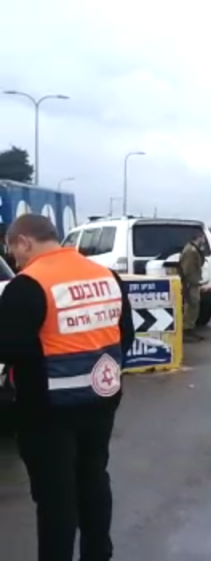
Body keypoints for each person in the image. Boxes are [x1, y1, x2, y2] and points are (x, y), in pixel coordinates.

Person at [0, 214, 135, 561]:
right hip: (101, 399)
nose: (14, 259)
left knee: (55, 497)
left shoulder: (28, 285)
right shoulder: (107, 277)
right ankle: (98, 554)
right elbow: (126, 337)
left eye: (12, 250)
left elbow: (8, 348)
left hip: (46, 411)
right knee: (93, 479)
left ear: (24, 241)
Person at [178, 230, 206, 343]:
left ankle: (189, 328)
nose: (203, 241)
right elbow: (187, 269)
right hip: (190, 282)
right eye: (202, 238)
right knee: (191, 305)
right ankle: (186, 329)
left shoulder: (194, 250)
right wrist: (190, 282)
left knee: (194, 305)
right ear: (198, 238)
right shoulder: (190, 251)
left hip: (193, 282)